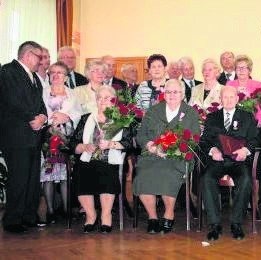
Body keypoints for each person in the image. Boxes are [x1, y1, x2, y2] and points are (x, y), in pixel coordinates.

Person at [133, 79, 200, 234]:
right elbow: (141, 135)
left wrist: (174, 149)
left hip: (177, 157)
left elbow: (194, 138)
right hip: (152, 155)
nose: (172, 95)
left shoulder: (190, 113)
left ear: (182, 94)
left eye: (176, 92)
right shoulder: (153, 111)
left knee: (168, 174)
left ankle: (169, 214)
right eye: (168, 92)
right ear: (164, 93)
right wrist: (150, 145)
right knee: (143, 176)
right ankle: (153, 217)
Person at [69, 85, 133, 234]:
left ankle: (106, 215)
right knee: (80, 170)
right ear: (95, 100)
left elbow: (128, 143)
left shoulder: (120, 119)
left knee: (106, 171)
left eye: (107, 98)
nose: (103, 101)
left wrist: (111, 144)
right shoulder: (87, 118)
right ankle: (91, 216)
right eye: (100, 98)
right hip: (88, 159)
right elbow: (73, 143)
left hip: (109, 160)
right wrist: (85, 147)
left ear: (114, 101)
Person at [0, 41, 48, 233]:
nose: (41, 61)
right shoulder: (8, 72)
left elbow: (40, 103)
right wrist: (32, 118)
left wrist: (43, 117)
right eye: (39, 57)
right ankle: (13, 220)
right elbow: (12, 100)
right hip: (17, 136)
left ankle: (28, 216)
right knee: (19, 178)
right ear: (28, 55)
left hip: (33, 136)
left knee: (31, 179)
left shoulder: (34, 77)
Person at [200, 86, 259, 241]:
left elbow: (255, 139)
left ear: (237, 99)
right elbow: (204, 141)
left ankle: (236, 223)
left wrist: (245, 150)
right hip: (218, 161)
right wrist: (213, 151)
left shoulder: (247, 116)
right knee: (206, 179)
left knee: (246, 180)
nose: (228, 100)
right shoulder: (212, 117)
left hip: (238, 161)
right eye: (225, 97)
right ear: (220, 100)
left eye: (231, 97)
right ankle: (214, 224)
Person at [41, 61, 82, 223]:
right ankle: (50, 211)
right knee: (48, 175)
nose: (56, 76)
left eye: (60, 73)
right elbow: (38, 112)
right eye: (53, 73)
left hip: (66, 138)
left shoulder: (73, 94)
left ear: (66, 77)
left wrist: (67, 117)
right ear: (49, 76)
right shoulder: (42, 92)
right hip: (46, 138)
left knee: (66, 174)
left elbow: (78, 113)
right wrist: (50, 122)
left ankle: (66, 210)